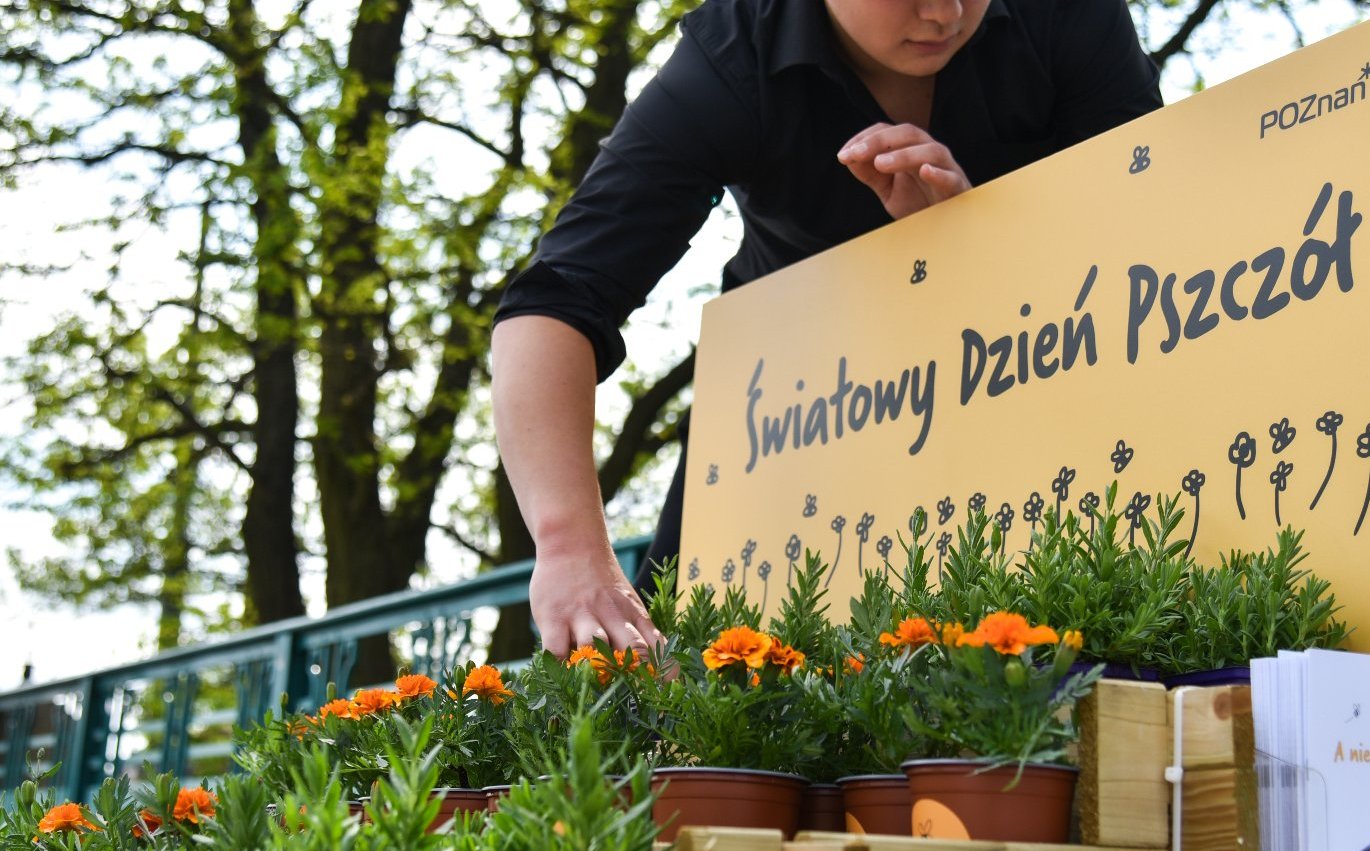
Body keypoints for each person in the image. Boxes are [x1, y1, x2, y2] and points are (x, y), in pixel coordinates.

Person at [492, 0, 1162, 658]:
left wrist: (982, 247)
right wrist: (568, 548)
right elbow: (557, 296)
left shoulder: (1074, 16)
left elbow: (1155, 240)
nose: (946, 12)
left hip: (1038, 389)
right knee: (676, 710)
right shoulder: (731, 55)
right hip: (789, 425)